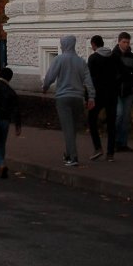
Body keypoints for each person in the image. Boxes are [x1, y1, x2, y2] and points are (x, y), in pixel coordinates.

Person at [41, 35, 95, 167]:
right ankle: (68, 152)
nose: (60, 46)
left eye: (61, 44)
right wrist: (92, 97)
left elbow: (50, 76)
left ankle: (73, 157)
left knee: (67, 128)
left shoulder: (59, 59)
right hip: (78, 98)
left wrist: (45, 87)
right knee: (72, 129)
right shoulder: (81, 61)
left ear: (64, 45)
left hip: (63, 98)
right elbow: (88, 81)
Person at [87, 35, 118, 161]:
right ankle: (110, 153)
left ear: (94, 45)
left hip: (98, 94)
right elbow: (117, 74)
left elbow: (90, 79)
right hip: (112, 94)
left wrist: (89, 97)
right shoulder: (114, 57)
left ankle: (98, 147)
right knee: (111, 123)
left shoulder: (93, 58)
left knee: (92, 120)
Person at [113, 32, 133, 152]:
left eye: (127, 42)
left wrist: (131, 83)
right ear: (119, 41)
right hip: (116, 91)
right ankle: (113, 141)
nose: (126, 44)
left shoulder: (132, 57)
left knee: (125, 119)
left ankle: (122, 143)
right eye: (124, 42)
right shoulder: (113, 56)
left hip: (127, 91)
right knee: (118, 115)